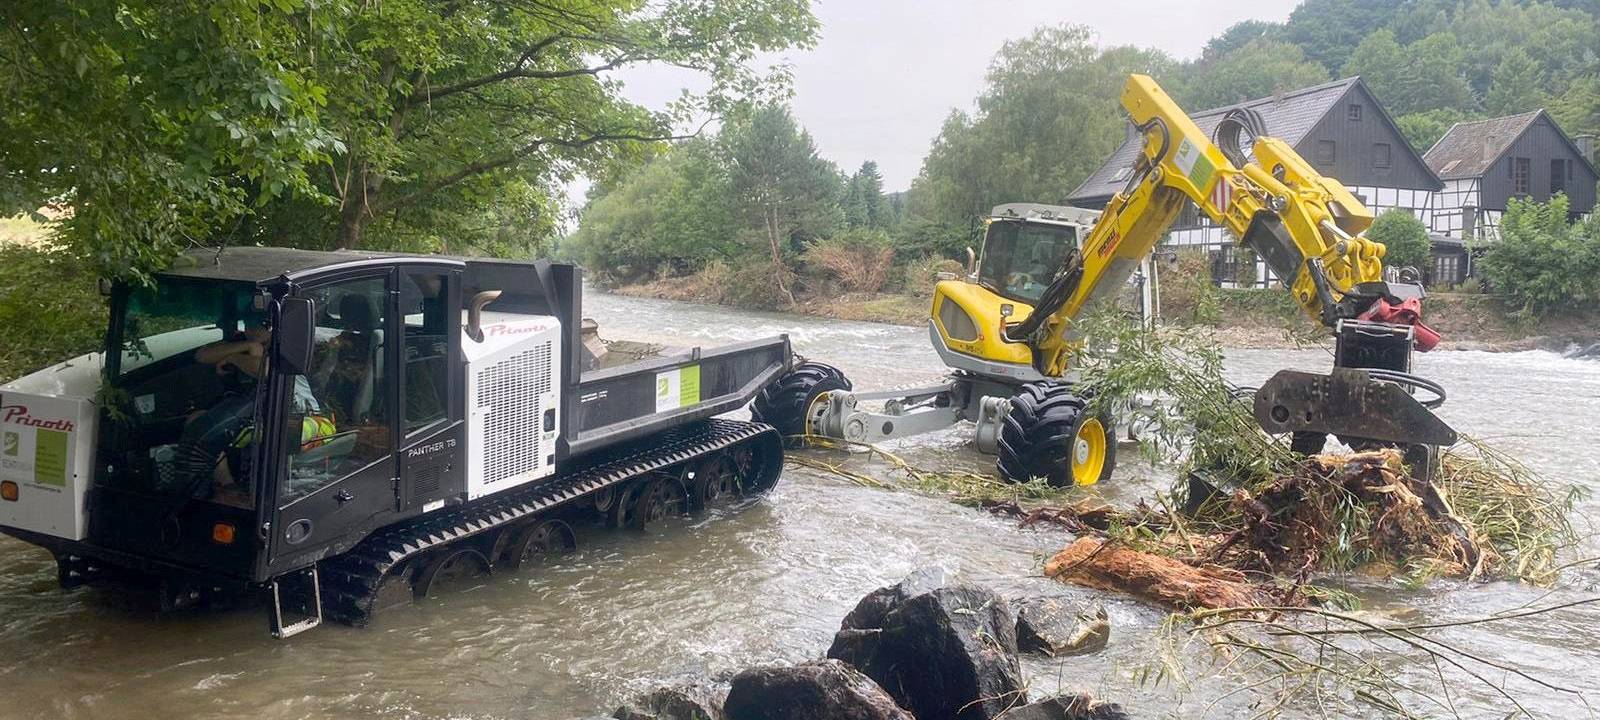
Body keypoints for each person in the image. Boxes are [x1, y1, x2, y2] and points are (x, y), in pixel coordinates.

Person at [181, 325, 331, 505]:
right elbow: (202, 355)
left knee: (255, 434)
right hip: (256, 415)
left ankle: (259, 499)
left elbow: (265, 370)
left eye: (262, 325)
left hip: (302, 419)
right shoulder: (241, 341)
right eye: (251, 324)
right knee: (198, 421)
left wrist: (234, 358)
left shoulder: (287, 349)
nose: (254, 329)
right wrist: (249, 345)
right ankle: (228, 488)